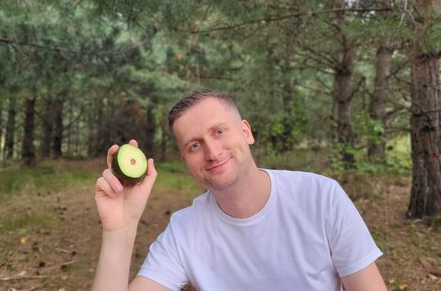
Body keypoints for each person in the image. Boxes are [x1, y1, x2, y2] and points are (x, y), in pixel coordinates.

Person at [92, 90, 387, 291]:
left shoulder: (321, 198)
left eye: (219, 132)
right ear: (186, 162)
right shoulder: (184, 232)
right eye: (194, 145)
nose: (212, 151)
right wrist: (121, 228)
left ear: (246, 132)